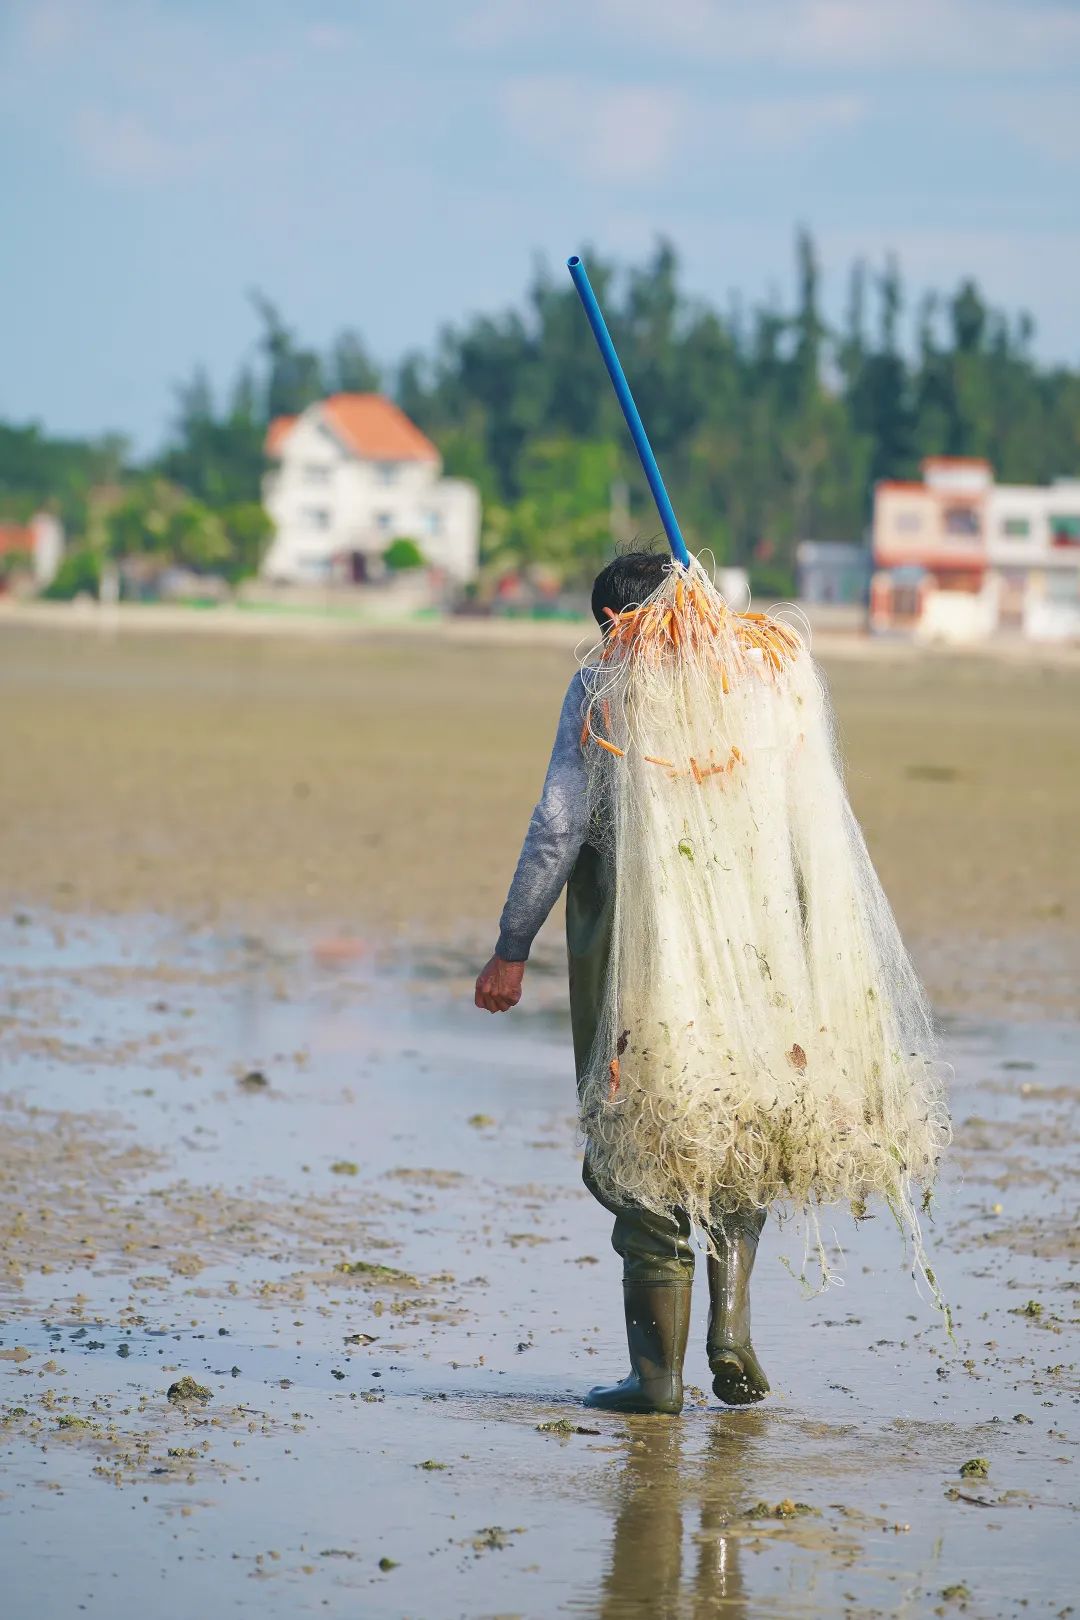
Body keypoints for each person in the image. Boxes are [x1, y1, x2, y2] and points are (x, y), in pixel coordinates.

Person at [474, 552, 769, 1416]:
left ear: (614, 623)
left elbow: (559, 823)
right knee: (737, 1124)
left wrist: (512, 942)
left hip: (638, 946)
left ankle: (658, 1378)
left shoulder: (606, 685)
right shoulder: (753, 680)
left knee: (643, 1133)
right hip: (748, 945)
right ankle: (732, 1329)